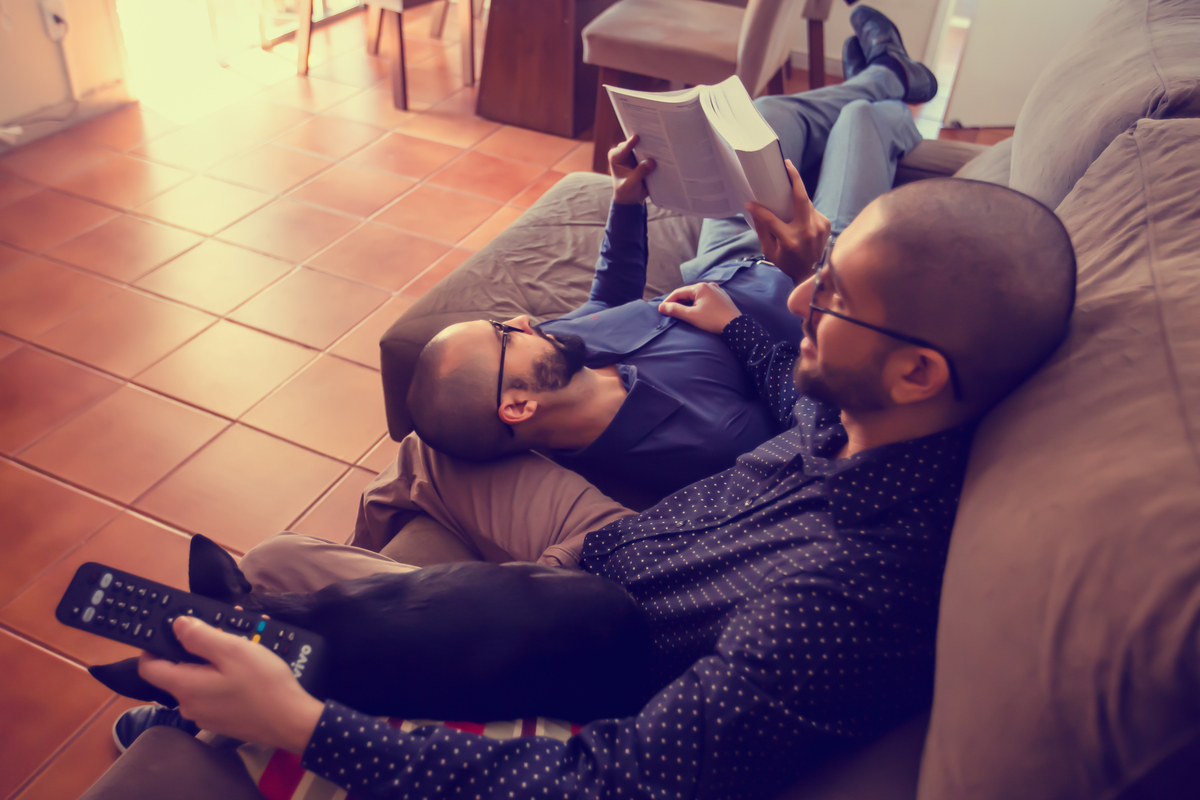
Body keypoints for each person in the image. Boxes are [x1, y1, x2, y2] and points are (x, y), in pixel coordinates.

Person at [118, 7, 1078, 799]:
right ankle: (877, 84)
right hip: (590, 551)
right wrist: (789, 274)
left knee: (305, 575)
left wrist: (303, 727)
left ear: (918, 372)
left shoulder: (846, 604)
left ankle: (227, 695)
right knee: (280, 557)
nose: (802, 307)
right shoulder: (857, 417)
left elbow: (620, 777)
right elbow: (724, 356)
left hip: (590, 628)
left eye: (831, 305)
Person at [397, 5, 942, 505]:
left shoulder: (557, 354)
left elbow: (609, 297)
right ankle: (889, 85)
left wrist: (626, 202)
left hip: (724, 261)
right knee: (861, 124)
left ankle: (884, 74)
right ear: (516, 407)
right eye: (502, 335)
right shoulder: (693, 446)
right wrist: (786, 288)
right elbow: (814, 408)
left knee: (765, 116)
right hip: (814, 284)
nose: (520, 319)